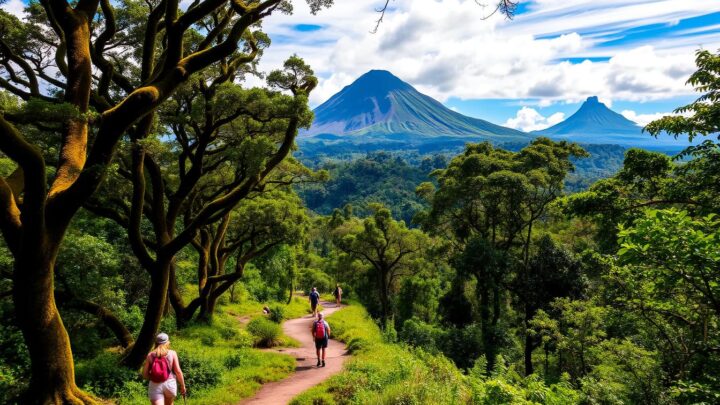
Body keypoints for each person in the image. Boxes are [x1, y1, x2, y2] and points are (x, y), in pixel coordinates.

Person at [143, 333, 187, 405]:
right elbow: (178, 371)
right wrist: (183, 386)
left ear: (156, 342)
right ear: (167, 342)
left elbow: (144, 374)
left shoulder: (150, 355)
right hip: (170, 384)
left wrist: (154, 377)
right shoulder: (172, 353)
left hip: (155, 385)